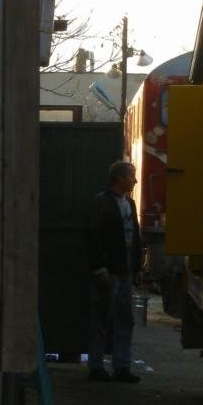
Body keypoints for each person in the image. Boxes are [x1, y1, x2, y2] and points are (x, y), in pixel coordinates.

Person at [85, 160, 143, 383]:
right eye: (131, 176)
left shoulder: (130, 204)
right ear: (120, 178)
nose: (135, 180)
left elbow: (135, 239)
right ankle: (99, 366)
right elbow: (93, 236)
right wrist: (99, 268)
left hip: (124, 272)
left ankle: (119, 367)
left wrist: (136, 268)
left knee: (123, 319)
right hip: (109, 271)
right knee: (102, 318)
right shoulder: (102, 204)